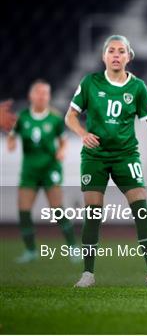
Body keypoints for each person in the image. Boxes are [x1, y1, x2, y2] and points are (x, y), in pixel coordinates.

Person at [65, 35, 147, 288]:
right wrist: (83, 134)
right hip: (95, 157)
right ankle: (88, 274)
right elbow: (70, 117)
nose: (116, 55)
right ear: (104, 56)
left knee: (141, 209)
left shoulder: (137, 87)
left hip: (126, 155)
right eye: (111, 51)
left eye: (121, 51)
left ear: (128, 57)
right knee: (93, 212)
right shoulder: (90, 83)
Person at [7, 80, 79, 263]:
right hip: (29, 170)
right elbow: (12, 135)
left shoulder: (55, 118)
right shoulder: (22, 117)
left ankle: (73, 248)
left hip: (50, 169)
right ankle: (31, 251)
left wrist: (62, 151)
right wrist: (11, 141)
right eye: (38, 92)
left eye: (45, 93)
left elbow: (63, 141)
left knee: (57, 210)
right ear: (31, 96)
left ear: (48, 96)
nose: (41, 96)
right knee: (23, 210)